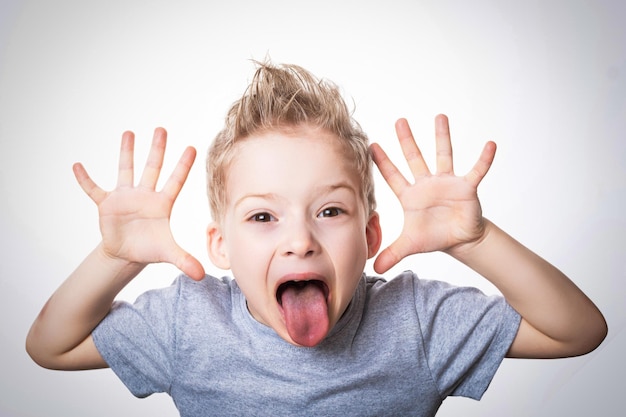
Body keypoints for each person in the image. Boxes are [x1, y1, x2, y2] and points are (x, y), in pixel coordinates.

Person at [26, 62, 607, 416]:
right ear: (220, 246)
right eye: (262, 218)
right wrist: (113, 258)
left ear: (370, 233)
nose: (300, 240)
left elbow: (580, 330)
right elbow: (48, 348)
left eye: (329, 210)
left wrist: (473, 241)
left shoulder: (417, 322)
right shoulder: (187, 324)